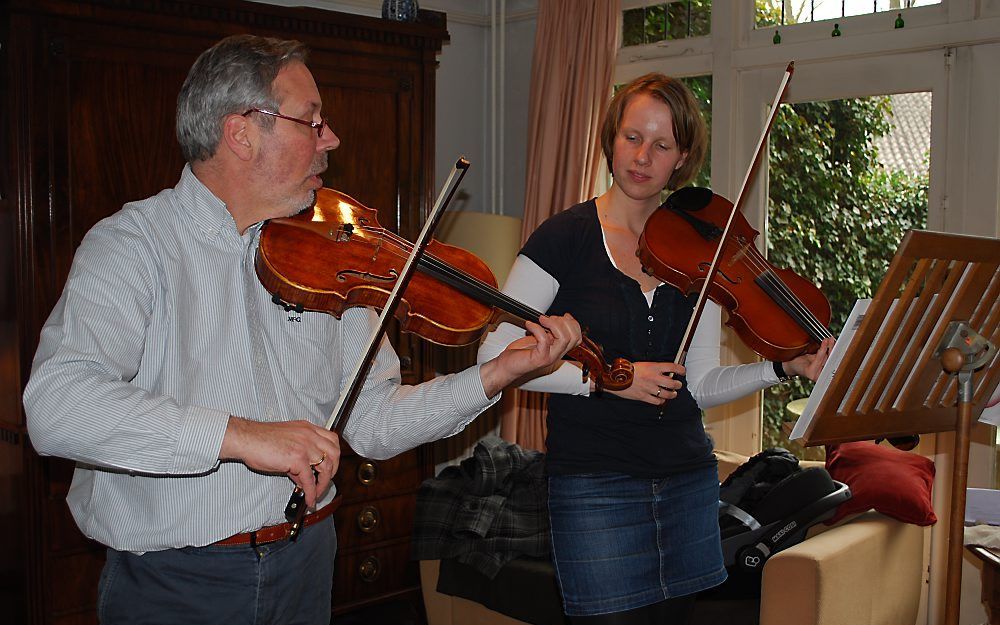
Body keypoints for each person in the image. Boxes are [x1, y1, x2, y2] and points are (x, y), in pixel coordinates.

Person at [22, 34, 582, 625]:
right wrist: (240, 436)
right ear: (241, 132)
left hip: (308, 562)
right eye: (312, 120)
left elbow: (374, 422)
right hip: (176, 582)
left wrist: (496, 374)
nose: (331, 138)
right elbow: (58, 406)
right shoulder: (133, 246)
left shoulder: (331, 259)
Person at [477, 73, 835, 625]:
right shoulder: (563, 238)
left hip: (688, 482)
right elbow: (493, 356)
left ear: (681, 157)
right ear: (611, 140)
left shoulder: (706, 248)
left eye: (662, 144)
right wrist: (608, 378)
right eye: (632, 137)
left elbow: (699, 383)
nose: (642, 157)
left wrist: (780, 366)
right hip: (594, 483)